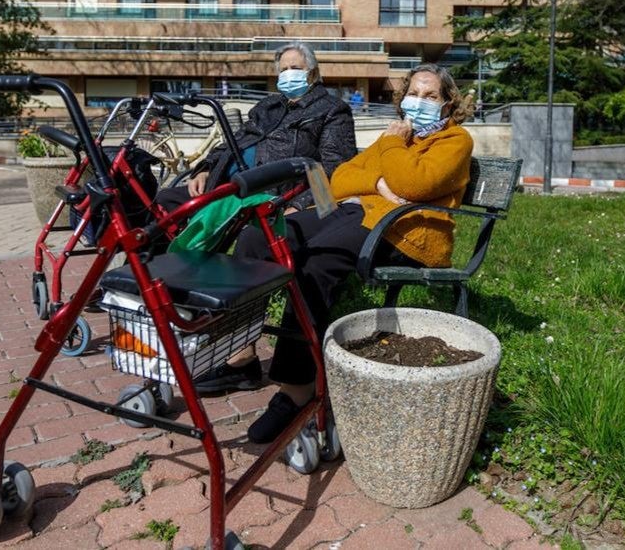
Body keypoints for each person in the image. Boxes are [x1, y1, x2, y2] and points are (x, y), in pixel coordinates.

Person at [197, 64, 475, 444]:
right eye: (414, 93)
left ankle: (296, 391)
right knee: (258, 238)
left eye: (431, 96)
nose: (420, 102)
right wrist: (378, 182)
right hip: (363, 214)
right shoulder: (397, 139)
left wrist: (392, 152)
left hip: (407, 234)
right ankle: (240, 354)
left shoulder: (454, 141)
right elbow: (340, 179)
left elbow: (415, 182)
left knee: (315, 263)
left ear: (447, 104)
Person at [155, 41, 357, 214]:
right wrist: (205, 170)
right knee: (164, 201)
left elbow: (336, 169)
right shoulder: (267, 106)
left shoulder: (332, 109)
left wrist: (299, 206)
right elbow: (234, 142)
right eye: (283, 70)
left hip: (272, 196)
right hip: (225, 184)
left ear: (312, 74)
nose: (288, 74)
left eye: (294, 68)